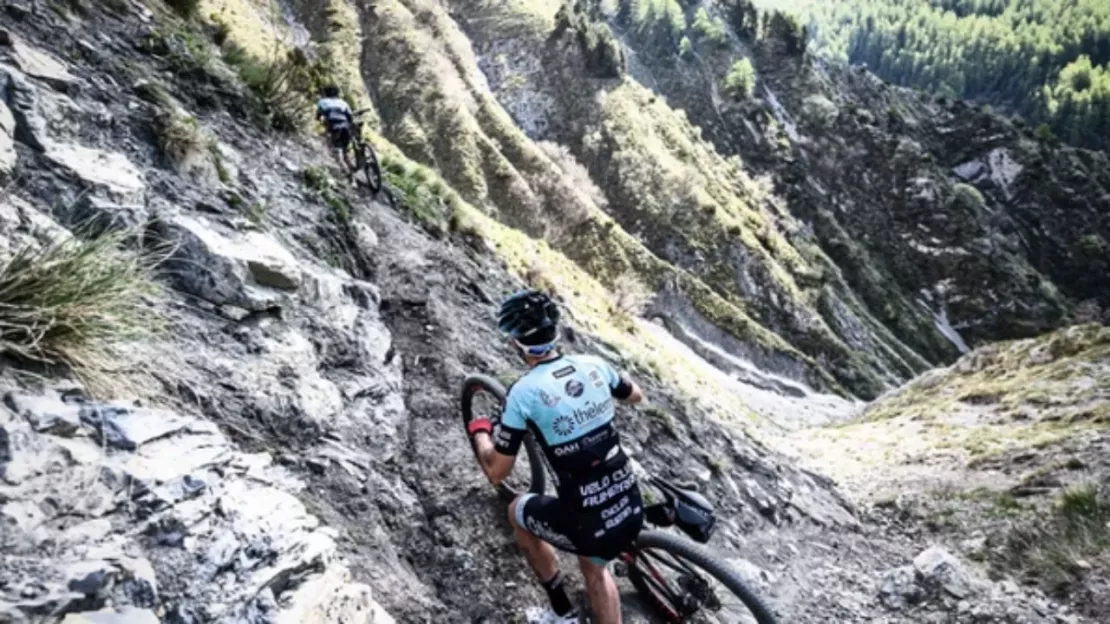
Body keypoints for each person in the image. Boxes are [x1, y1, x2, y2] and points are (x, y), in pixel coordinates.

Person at [467, 290, 646, 624]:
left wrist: (480, 431)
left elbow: (496, 472)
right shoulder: (594, 364)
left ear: (517, 344)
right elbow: (635, 394)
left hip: (590, 519)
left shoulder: (524, 393)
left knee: (517, 511)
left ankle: (561, 612)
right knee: (595, 560)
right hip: (629, 498)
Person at [315, 85, 355, 171]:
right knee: (345, 149)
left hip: (334, 128)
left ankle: (349, 175)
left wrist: (321, 120)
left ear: (325, 93)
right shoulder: (343, 103)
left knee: (334, 150)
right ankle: (350, 164)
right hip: (345, 127)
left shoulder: (322, 102)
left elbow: (318, 116)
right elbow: (350, 117)